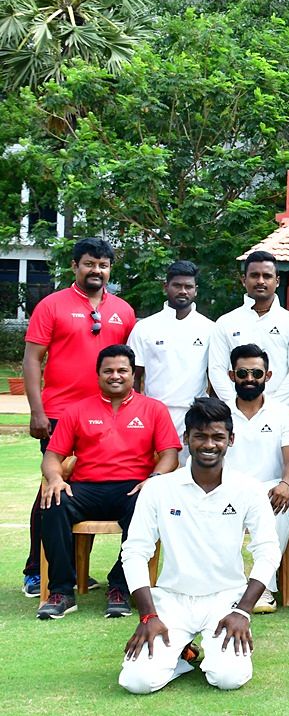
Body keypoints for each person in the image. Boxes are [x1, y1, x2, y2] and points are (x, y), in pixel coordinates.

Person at [117, 398, 280, 694]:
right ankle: (181, 655)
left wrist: (243, 610)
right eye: (200, 436)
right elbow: (135, 552)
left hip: (226, 599)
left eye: (217, 437)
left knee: (228, 678)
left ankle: (212, 653)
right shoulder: (158, 488)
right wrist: (148, 615)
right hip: (171, 600)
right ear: (186, 438)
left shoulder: (249, 490)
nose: (209, 444)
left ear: (231, 439)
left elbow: (268, 550)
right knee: (136, 682)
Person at [22, 237, 136, 597]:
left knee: (94, 490)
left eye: (103, 265)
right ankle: (38, 571)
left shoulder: (123, 310)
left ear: (110, 269)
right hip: (58, 416)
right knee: (55, 490)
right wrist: (37, 411)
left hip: (109, 418)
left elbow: (130, 366)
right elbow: (31, 360)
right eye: (89, 264)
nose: (96, 271)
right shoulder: (51, 305)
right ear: (75, 266)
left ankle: (79, 573)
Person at [36, 345, 181, 620]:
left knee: (146, 504)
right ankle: (62, 591)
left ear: (132, 375)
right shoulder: (77, 410)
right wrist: (55, 478)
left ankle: (120, 586)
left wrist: (155, 479)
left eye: (122, 370)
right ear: (98, 374)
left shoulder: (153, 409)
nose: (115, 376)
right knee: (54, 502)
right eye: (108, 371)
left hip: (133, 487)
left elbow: (169, 455)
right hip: (86, 487)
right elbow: (53, 456)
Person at [222, 344, 289, 612]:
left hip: (270, 490)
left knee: (280, 508)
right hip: (226, 489)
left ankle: (264, 589)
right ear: (231, 375)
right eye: (243, 373)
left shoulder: (283, 412)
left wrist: (285, 484)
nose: (250, 379)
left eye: (256, 374)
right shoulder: (218, 412)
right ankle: (228, 588)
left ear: (267, 376)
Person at [130, 260, 214, 458]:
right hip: (154, 414)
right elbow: (134, 376)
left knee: (191, 477)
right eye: (177, 286)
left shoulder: (210, 329)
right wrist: (136, 412)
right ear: (166, 287)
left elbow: (215, 377)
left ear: (196, 290)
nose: (183, 291)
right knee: (154, 474)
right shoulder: (145, 328)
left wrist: (211, 415)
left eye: (188, 287)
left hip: (195, 415)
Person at [207, 251, 289, 406]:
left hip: (280, 410)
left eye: (267, 276)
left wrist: (273, 406)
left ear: (278, 281)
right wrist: (234, 404)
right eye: (254, 275)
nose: (260, 281)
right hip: (235, 412)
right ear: (243, 280)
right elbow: (216, 369)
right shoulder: (226, 323)